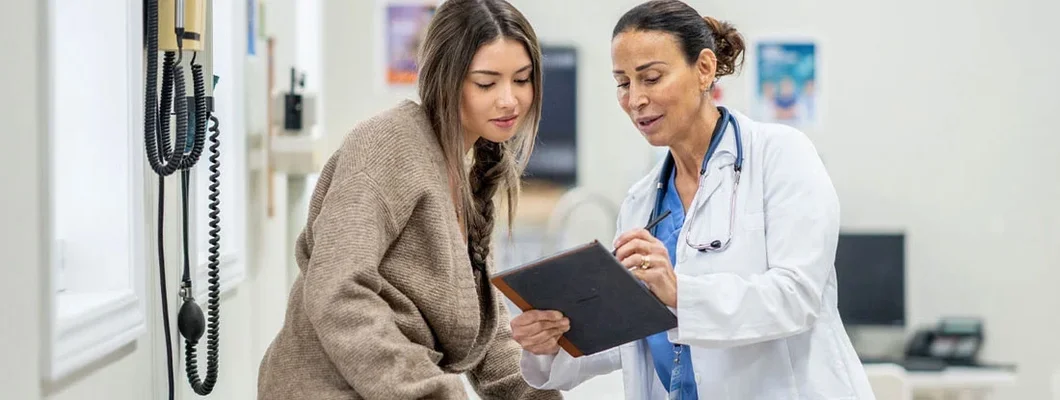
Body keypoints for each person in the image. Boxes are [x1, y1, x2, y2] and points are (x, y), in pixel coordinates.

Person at [511, 0, 875, 399]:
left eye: (651, 77)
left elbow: (796, 297)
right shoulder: (641, 203)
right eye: (623, 82)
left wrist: (678, 292)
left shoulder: (781, 155)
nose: (635, 100)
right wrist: (550, 340)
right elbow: (630, 336)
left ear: (703, 69)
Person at [256, 1, 562, 399]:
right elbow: (337, 290)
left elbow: (485, 337)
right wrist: (434, 393)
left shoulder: (467, 170)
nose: (509, 100)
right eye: (486, 83)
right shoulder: (388, 144)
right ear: (445, 80)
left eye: (521, 80)